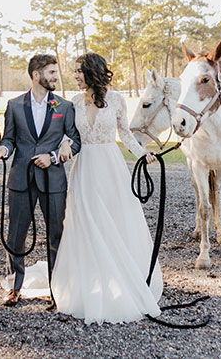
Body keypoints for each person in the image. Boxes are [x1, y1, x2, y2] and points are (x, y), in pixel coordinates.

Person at [50, 52, 162, 324]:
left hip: (110, 167)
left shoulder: (116, 100)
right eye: (75, 71)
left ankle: (121, 280)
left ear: (92, 72)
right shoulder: (74, 102)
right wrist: (64, 142)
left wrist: (141, 154)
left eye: (79, 71)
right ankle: (90, 283)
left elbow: (124, 133)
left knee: (114, 220)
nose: (75, 76)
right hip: (85, 166)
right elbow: (70, 134)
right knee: (86, 222)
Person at [0, 54, 82, 307]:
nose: (56, 77)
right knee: (15, 235)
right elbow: (9, 139)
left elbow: (75, 141)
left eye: (56, 72)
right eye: (51, 72)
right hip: (21, 179)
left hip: (53, 181)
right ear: (36, 75)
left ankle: (57, 288)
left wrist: (53, 157)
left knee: (56, 235)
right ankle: (14, 286)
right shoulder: (15, 105)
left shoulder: (64, 107)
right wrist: (4, 151)